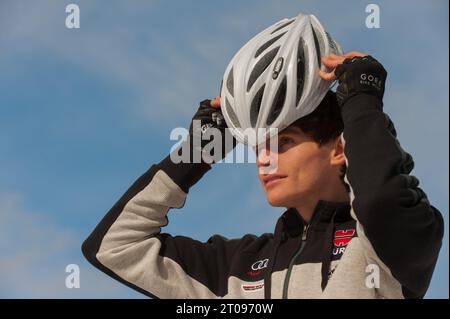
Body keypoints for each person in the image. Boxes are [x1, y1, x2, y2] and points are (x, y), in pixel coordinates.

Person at [82, 13, 443, 299]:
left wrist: (361, 103)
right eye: (259, 146)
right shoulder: (236, 268)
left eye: (285, 142)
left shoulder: (384, 247)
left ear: (338, 148)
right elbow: (113, 247)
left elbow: (380, 201)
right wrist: (196, 151)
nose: (264, 160)